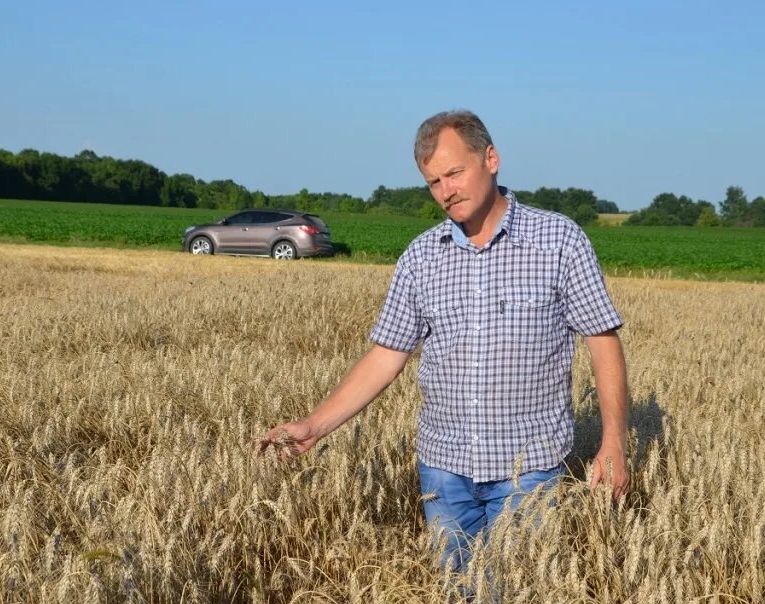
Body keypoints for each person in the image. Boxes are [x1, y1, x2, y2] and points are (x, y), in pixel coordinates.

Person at [260, 110, 629, 575]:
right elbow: (385, 356)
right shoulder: (421, 257)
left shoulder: (559, 241)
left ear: (490, 159)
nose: (446, 191)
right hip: (444, 471)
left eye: (454, 173)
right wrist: (314, 426)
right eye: (434, 182)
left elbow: (602, 340)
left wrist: (614, 439)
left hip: (529, 470)